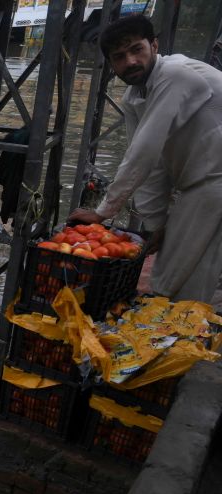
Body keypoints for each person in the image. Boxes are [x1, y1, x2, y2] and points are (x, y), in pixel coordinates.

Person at [68, 15, 222, 303]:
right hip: (200, 185)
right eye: (119, 57)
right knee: (172, 273)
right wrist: (155, 225)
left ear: (154, 45)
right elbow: (153, 168)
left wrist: (103, 212)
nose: (130, 61)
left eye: (137, 49)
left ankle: (188, 337)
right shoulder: (134, 98)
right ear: (111, 66)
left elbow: (145, 151)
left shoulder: (175, 75)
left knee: (190, 279)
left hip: (214, 181)